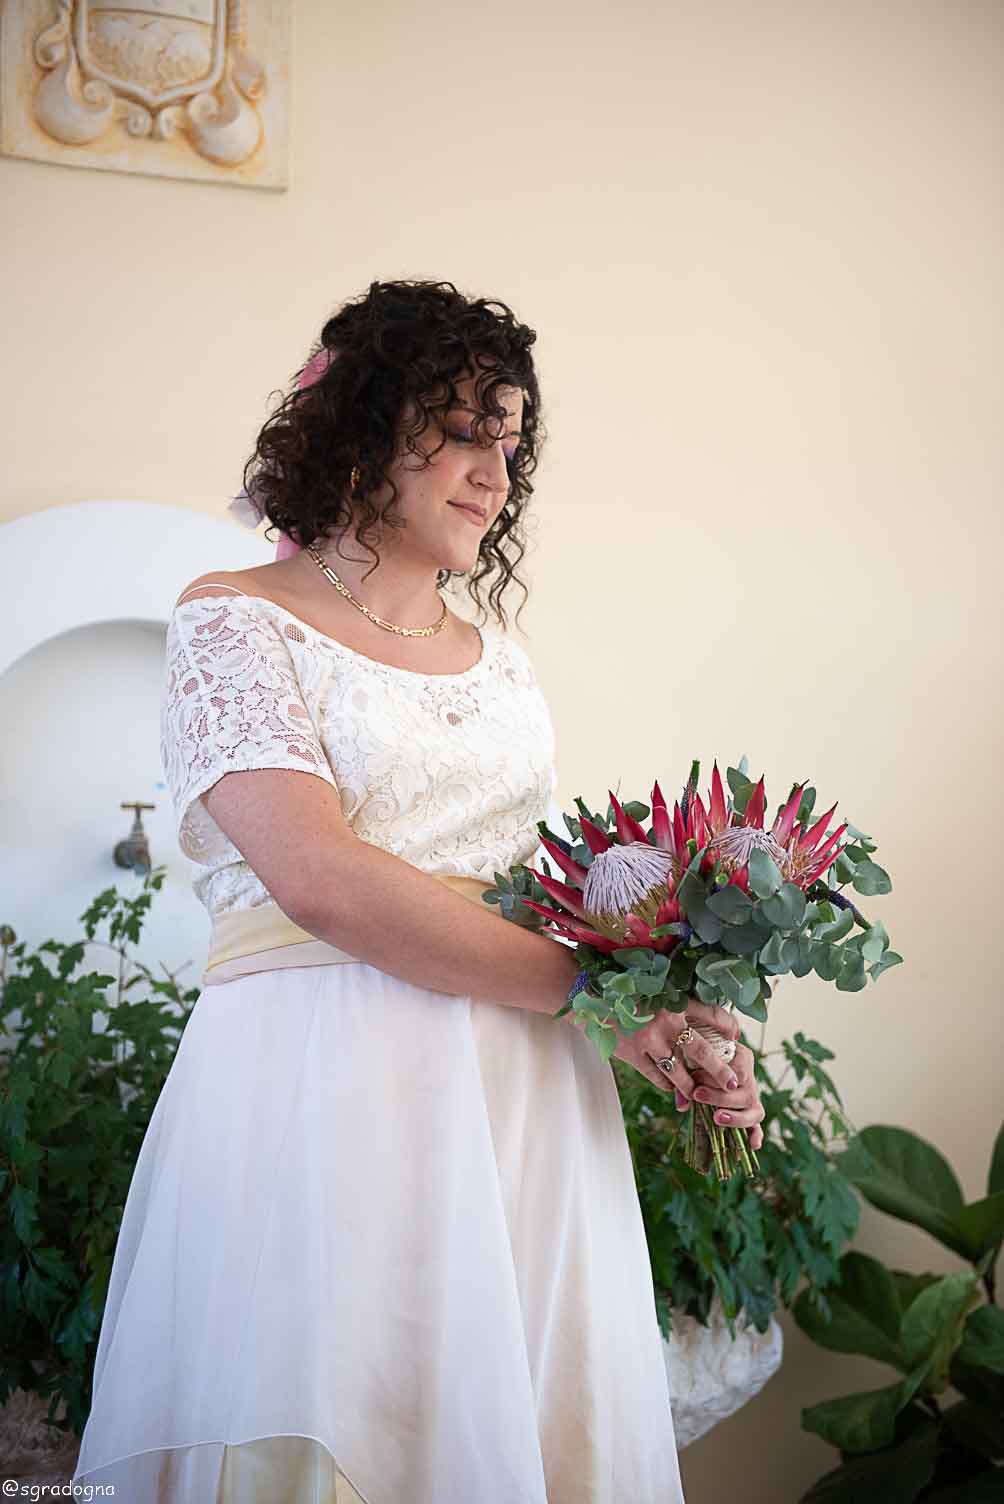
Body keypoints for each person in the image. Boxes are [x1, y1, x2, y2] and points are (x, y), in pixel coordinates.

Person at [72, 278, 765, 1503]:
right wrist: (588, 992)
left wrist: (658, 1015)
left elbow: (534, 901)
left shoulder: (501, 664)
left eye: (510, 439)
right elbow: (321, 878)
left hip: (524, 1107)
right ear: (361, 431)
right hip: (317, 1088)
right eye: (460, 429)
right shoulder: (234, 623)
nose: (495, 472)